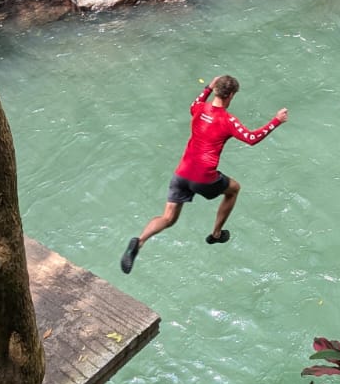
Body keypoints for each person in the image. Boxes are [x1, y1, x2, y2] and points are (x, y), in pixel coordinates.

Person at [120, 74, 288, 272]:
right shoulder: (228, 120)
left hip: (181, 174)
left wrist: (207, 87)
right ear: (231, 95)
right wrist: (276, 120)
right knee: (234, 189)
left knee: (168, 218)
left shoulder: (198, 108)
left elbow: (196, 102)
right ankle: (216, 233)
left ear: (215, 90)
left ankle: (139, 242)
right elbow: (251, 138)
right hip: (204, 177)